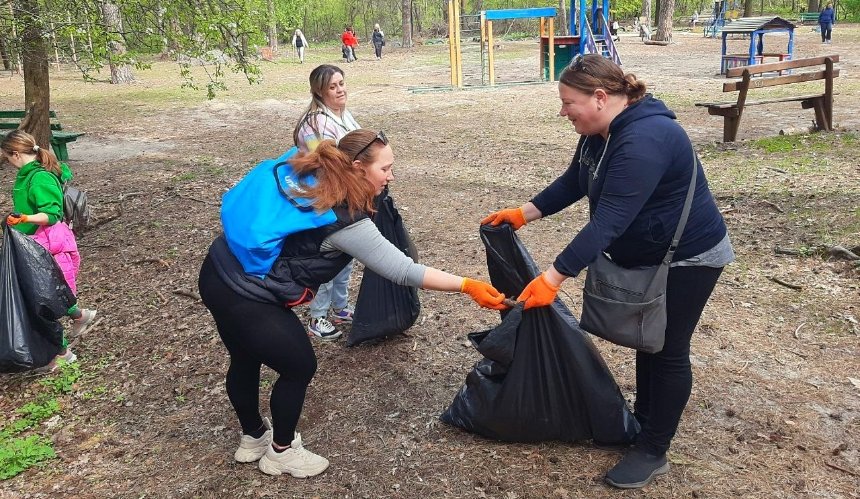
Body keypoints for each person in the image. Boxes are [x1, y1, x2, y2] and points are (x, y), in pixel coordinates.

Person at [482, 54, 733, 489]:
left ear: (600, 97)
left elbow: (609, 220)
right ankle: (644, 424)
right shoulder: (600, 132)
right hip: (649, 253)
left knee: (667, 347)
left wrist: (553, 277)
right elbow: (575, 182)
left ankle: (654, 449)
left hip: (688, 257)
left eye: (568, 102)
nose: (563, 112)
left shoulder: (646, 139)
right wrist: (523, 213)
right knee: (645, 340)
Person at [199, 129, 507, 478]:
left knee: (244, 355)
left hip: (218, 268)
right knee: (299, 366)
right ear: (358, 167)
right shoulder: (343, 218)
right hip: (246, 294)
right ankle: (281, 453)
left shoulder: (315, 169)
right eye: (385, 169)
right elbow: (402, 269)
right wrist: (468, 285)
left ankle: (253, 437)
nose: (391, 176)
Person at [2, 130, 98, 369]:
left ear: (15, 154)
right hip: (32, 244)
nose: (6, 162)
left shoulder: (40, 178)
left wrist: (24, 217)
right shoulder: (26, 175)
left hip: (47, 247)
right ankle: (80, 316)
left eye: (6, 157)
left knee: (41, 303)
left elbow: (52, 215)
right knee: (51, 295)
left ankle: (62, 353)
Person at [293, 64, 360, 340]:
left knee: (348, 256)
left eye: (341, 83)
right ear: (320, 91)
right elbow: (322, 163)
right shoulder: (314, 122)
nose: (340, 90)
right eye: (333, 86)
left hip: (348, 196)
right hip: (326, 199)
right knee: (328, 259)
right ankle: (317, 316)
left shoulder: (342, 114)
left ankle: (340, 306)